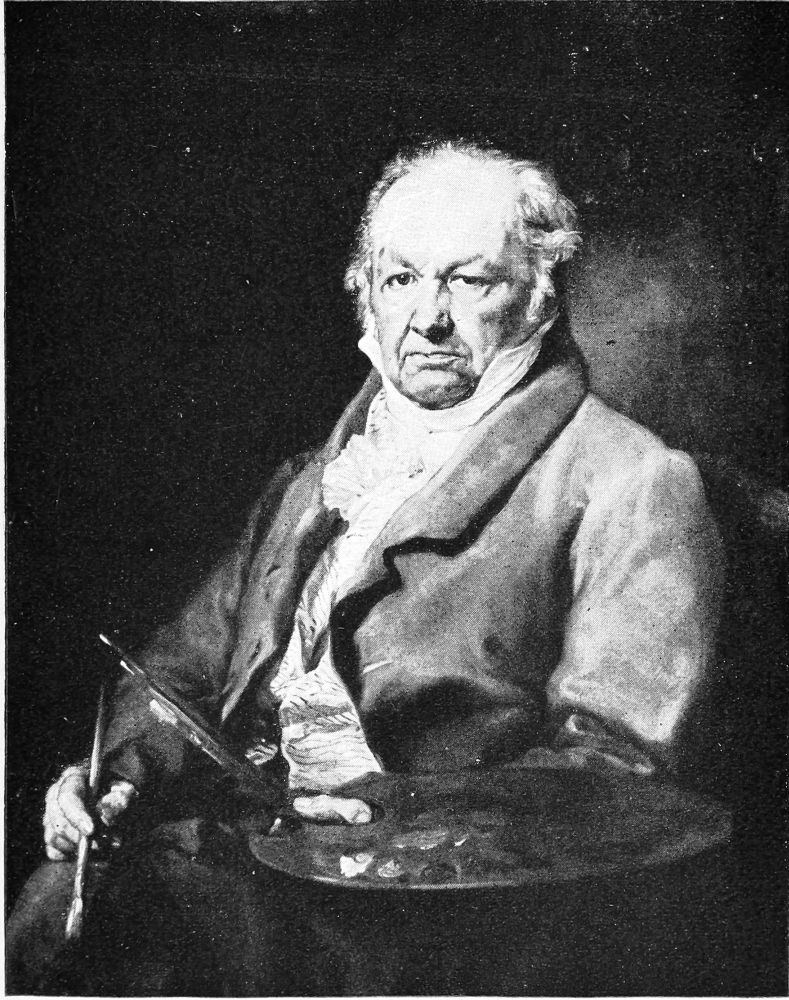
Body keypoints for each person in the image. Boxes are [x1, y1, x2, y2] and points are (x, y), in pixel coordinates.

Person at [7, 141, 726, 995]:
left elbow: (616, 777)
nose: (428, 317)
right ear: (366, 295)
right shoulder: (312, 478)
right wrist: (116, 777)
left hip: (425, 923)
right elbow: (179, 672)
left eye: (470, 281)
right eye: (401, 279)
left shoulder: (631, 479)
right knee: (62, 916)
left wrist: (387, 817)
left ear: (539, 296)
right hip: (241, 860)